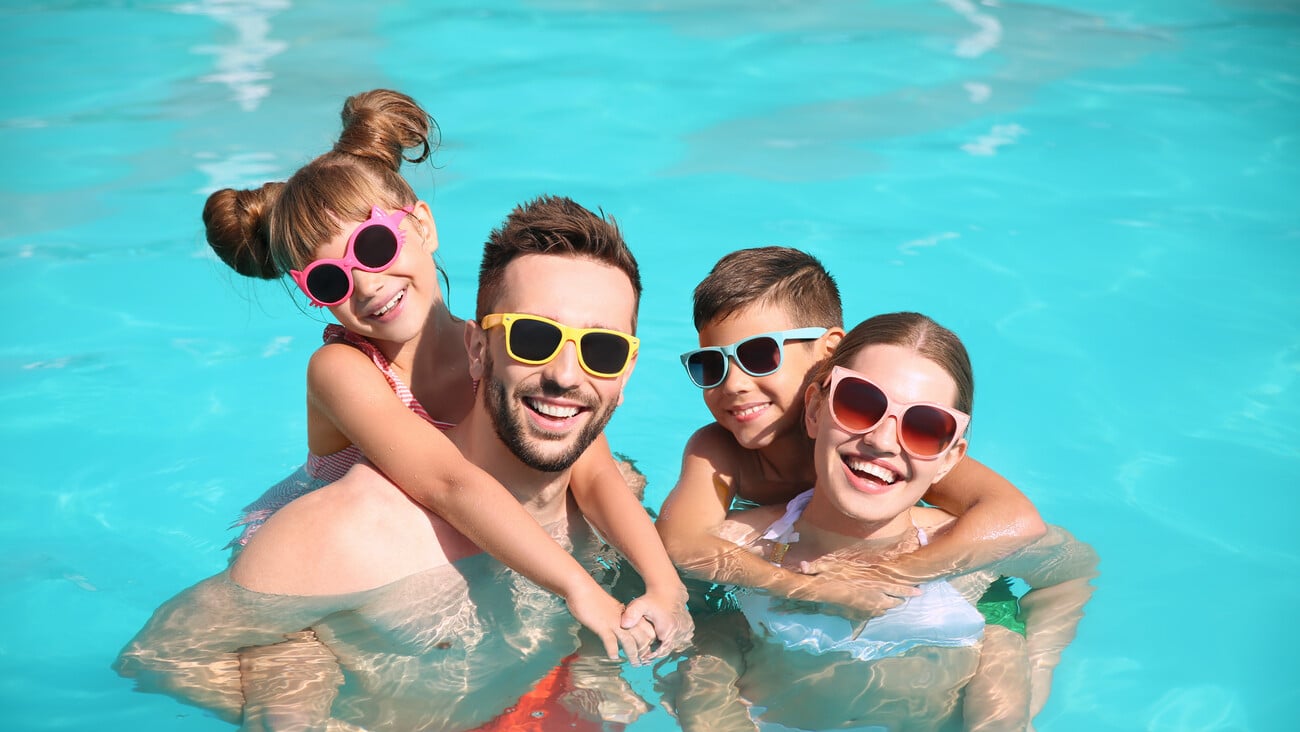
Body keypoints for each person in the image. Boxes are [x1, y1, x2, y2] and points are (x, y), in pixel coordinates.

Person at [116, 195, 689, 730]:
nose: (567, 376)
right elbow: (159, 656)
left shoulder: (614, 504)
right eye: (532, 339)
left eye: (603, 348)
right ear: (476, 346)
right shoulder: (349, 536)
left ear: (627, 372)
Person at [204, 89, 686, 652]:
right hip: (328, 544)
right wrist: (577, 588)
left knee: (623, 475)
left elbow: (594, 471)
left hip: (459, 502)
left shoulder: (495, 342)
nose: (366, 285)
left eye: (375, 245)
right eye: (329, 280)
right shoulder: (341, 368)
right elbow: (446, 483)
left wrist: (665, 583)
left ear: (424, 227)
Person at [662, 312, 1099, 730]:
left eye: (925, 427)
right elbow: (684, 618)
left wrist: (1029, 671)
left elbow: (1071, 572)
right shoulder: (741, 546)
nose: (882, 441)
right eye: (859, 402)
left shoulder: (966, 547)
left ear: (950, 458)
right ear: (815, 410)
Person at [656, 247, 1047, 618]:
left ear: (829, 351)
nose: (733, 384)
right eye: (711, 365)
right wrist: (804, 587)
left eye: (759, 356)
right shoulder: (718, 450)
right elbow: (682, 543)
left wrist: (887, 575)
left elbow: (1016, 519)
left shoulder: (893, 443)